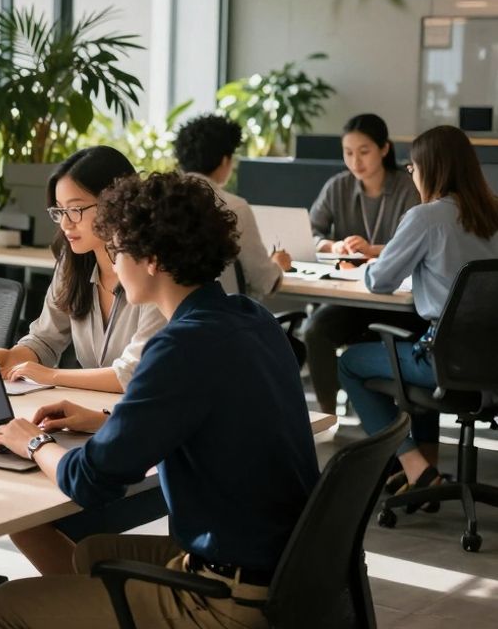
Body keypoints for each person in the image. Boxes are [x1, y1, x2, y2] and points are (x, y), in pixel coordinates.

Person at [0, 172, 320, 629]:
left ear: (152, 260)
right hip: (290, 567)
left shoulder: (180, 345)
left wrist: (32, 443)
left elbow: (90, 481)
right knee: (94, 553)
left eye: (118, 250)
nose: (114, 264)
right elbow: (207, 416)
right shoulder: (252, 318)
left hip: (228, 594)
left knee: (7, 604)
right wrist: (105, 422)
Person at [0, 147, 168, 576]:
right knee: (16, 481)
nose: (66, 224)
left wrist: (48, 374)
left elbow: (133, 375)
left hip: (145, 452)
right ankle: (91, 602)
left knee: (30, 513)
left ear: (116, 205)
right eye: (59, 212)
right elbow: (45, 338)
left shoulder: (150, 272)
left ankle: (90, 604)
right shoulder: (73, 263)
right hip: (92, 426)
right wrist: (13, 357)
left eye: (76, 210)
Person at [338, 125, 498, 499]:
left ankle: (415, 467)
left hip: (445, 362)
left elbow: (378, 281)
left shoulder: (426, 217)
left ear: (429, 168)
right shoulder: (494, 212)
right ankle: (423, 477)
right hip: (493, 363)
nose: (411, 174)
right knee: (411, 350)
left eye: (413, 168)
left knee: (350, 363)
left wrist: (361, 266)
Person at [302, 113, 424, 413]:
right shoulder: (338, 187)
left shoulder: (409, 187)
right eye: (348, 153)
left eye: (364, 151)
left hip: (396, 297)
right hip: (351, 295)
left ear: (384, 149)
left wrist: (373, 250)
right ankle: (327, 414)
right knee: (315, 330)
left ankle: (393, 419)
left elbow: (415, 245)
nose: (356, 161)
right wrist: (333, 244)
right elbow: (310, 232)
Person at [174, 113, 290, 300]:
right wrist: (277, 264)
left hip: (169, 320)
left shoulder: (161, 203)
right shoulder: (234, 208)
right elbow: (265, 281)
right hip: (226, 320)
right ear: (224, 160)